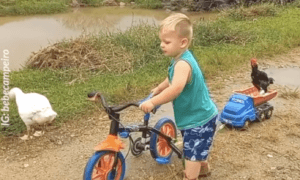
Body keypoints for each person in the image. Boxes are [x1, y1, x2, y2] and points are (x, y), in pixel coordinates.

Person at [140, 13, 218, 180]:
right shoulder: (180, 59)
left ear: (183, 42)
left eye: (167, 42)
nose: (162, 45)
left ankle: (191, 176)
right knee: (196, 149)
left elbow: (175, 88)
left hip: (199, 120)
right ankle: (203, 168)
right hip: (196, 117)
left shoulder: (182, 64)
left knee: (192, 156)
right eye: (161, 41)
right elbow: (171, 78)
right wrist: (159, 88)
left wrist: (152, 102)